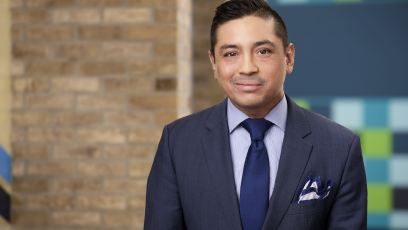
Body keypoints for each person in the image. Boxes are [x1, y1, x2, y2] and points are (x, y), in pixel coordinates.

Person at [144, 0, 367, 229]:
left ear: (288, 57)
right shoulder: (177, 142)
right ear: (213, 63)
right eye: (231, 53)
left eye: (263, 51)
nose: (247, 67)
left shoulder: (341, 147)